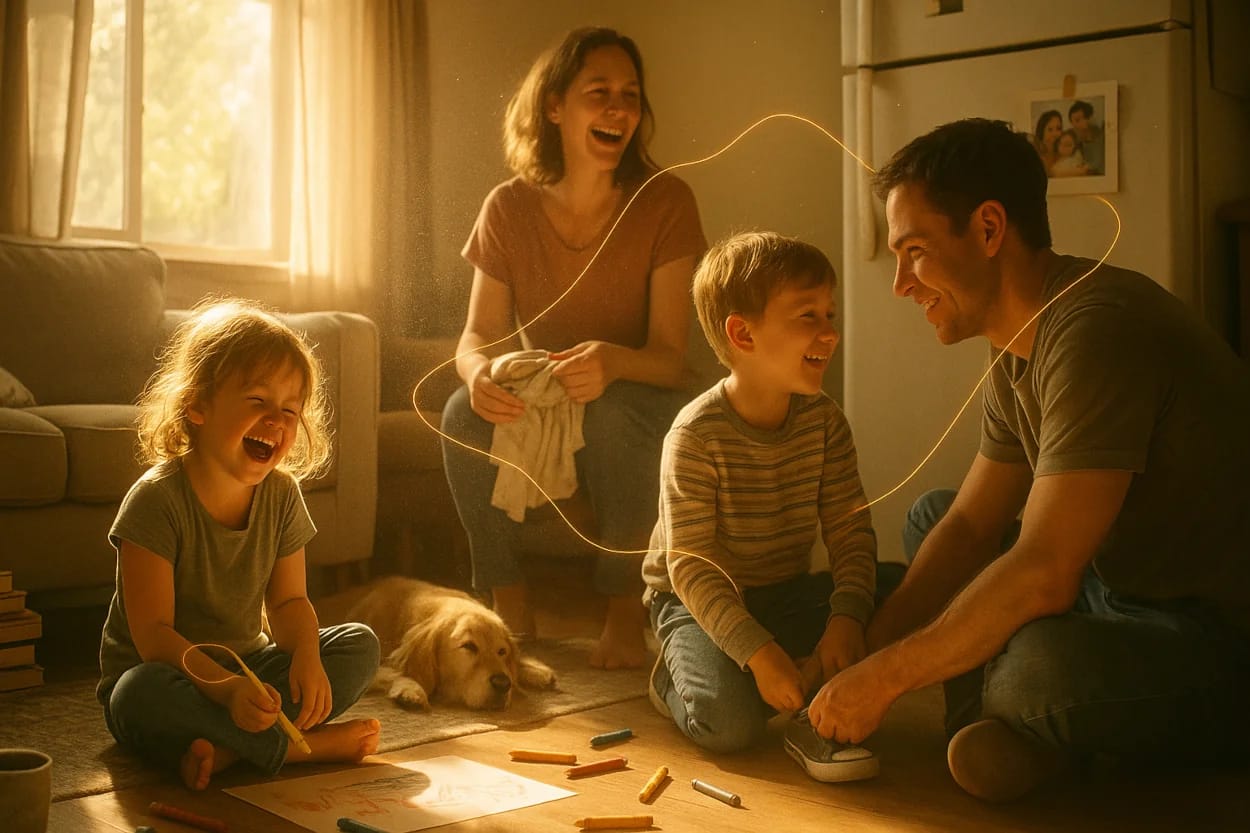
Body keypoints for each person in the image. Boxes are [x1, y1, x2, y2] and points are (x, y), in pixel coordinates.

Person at [805, 118, 1250, 802]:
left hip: (1210, 634)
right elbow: (971, 527)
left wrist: (888, 677)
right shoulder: (1020, 346)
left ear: (988, 230)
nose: (900, 283)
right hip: (1115, 590)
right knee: (935, 518)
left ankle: (1020, 721)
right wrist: (867, 648)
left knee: (1034, 671)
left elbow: (1044, 572)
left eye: (914, 250)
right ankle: (1019, 736)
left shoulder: (1095, 329)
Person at [441, 26, 706, 669]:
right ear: (555, 106)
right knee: (457, 414)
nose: (619, 109)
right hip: (554, 400)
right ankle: (510, 607)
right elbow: (476, 335)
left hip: (641, 397)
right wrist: (477, 373)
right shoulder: (507, 207)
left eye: (630, 95)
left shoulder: (665, 200)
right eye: (599, 93)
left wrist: (612, 362)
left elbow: (670, 355)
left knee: (613, 415)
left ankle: (623, 616)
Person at [97, 299, 382, 791]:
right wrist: (225, 691)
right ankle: (295, 749)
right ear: (197, 405)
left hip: (251, 673)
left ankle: (227, 751)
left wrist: (308, 654)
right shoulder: (154, 501)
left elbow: (290, 602)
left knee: (359, 643)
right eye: (257, 401)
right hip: (170, 677)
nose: (277, 420)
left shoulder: (282, 496)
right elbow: (154, 636)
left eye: (290, 409)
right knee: (134, 694)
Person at [641, 231, 881, 782]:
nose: (830, 331)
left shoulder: (824, 421)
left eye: (830, 312)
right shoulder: (695, 436)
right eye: (807, 316)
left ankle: (805, 675)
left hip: (783, 591)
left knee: (898, 595)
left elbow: (851, 535)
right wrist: (760, 655)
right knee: (730, 726)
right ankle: (670, 677)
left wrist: (846, 616)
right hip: (695, 601)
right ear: (742, 333)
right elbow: (692, 569)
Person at [1067, 100, 1104, 175]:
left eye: (1084, 118)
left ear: (1089, 118)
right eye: (1075, 121)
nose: (1075, 125)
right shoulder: (1073, 140)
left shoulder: (1101, 136)